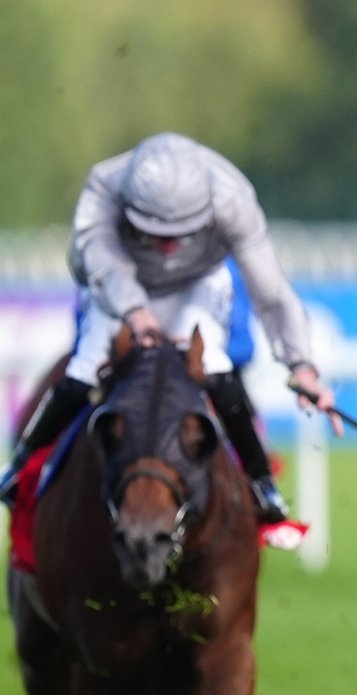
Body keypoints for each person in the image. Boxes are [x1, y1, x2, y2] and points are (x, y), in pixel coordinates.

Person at [0, 132, 338, 521]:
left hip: (198, 280)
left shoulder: (232, 198)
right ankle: (20, 466)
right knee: (85, 370)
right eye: (156, 232)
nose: (168, 244)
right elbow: (104, 267)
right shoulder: (103, 187)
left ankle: (262, 483)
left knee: (215, 366)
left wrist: (302, 366)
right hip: (116, 280)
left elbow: (272, 293)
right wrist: (136, 313)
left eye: (180, 233)